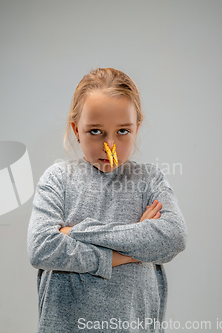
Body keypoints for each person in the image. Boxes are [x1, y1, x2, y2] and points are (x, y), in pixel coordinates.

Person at [26, 67, 188, 332]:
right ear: (76, 130)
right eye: (96, 132)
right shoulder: (58, 179)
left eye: (122, 131)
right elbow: (41, 247)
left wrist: (74, 232)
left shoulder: (149, 179)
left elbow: (173, 237)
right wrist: (133, 248)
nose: (109, 145)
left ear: (137, 127)